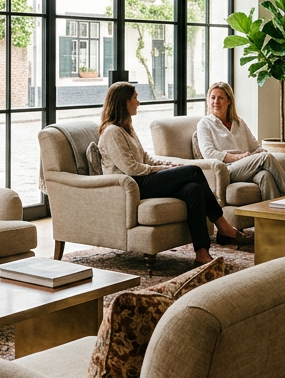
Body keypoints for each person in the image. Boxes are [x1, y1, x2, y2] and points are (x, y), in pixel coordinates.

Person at [97, 82, 246, 264]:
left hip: (142, 180)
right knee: (193, 172)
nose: (138, 102)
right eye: (135, 97)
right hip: (131, 185)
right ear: (124, 102)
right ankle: (223, 226)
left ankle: (202, 252)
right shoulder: (112, 132)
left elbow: (145, 158)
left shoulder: (127, 129)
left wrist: (166, 163)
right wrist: (165, 169)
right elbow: (132, 168)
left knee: (193, 189)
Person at [195, 81, 285, 201]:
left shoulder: (239, 123)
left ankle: (272, 216)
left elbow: (254, 146)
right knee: (266, 157)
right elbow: (208, 153)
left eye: (220, 98)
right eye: (213, 98)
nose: (216, 102)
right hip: (226, 169)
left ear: (229, 101)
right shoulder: (205, 124)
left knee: (265, 176)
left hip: (246, 167)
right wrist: (238, 157)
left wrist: (259, 151)